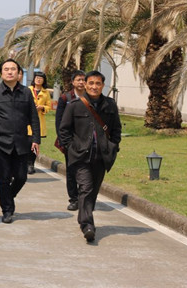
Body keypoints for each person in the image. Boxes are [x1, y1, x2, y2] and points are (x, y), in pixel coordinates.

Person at [59, 71, 121, 243]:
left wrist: (113, 146)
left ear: (103, 86)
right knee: (85, 188)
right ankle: (87, 225)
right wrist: (71, 148)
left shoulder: (110, 105)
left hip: (101, 156)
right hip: (81, 156)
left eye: (98, 83)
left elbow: (116, 129)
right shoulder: (74, 105)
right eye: (91, 83)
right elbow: (64, 130)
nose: (94, 87)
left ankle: (85, 217)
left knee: (93, 191)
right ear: (85, 85)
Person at [0, 58, 40, 224]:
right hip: (0, 143)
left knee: (21, 177)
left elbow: (33, 117)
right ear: (1, 73)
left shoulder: (26, 93)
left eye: (13, 69)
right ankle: (7, 210)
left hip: (21, 142)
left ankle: (9, 196)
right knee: (4, 178)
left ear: (18, 73)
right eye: (6, 69)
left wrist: (36, 139)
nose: (10, 72)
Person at [55, 70, 86, 211]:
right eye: (78, 79)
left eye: (83, 79)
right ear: (73, 82)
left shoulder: (91, 97)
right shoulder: (65, 98)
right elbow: (59, 122)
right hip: (70, 141)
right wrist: (64, 142)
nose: (81, 82)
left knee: (86, 170)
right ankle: (74, 198)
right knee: (71, 170)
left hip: (86, 140)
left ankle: (84, 197)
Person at [27, 71, 51, 174]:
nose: (38, 79)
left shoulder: (46, 93)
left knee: (35, 143)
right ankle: (25, 163)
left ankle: (31, 164)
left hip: (38, 121)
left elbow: (49, 107)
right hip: (27, 121)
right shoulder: (28, 90)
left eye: (41, 78)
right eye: (37, 77)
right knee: (26, 143)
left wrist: (42, 107)